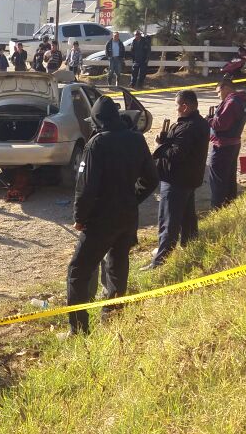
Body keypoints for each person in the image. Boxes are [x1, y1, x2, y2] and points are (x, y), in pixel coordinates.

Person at [66, 96, 158, 335]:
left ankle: (78, 330)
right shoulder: (137, 139)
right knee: (117, 266)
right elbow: (151, 179)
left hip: (101, 219)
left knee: (78, 272)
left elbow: (85, 187)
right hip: (127, 216)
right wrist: (132, 198)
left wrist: (79, 217)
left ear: (97, 120)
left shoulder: (97, 144)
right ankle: (113, 317)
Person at [146, 90, 209, 269]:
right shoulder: (197, 123)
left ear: (185, 106)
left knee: (168, 222)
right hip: (188, 179)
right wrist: (167, 139)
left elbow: (177, 154)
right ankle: (191, 249)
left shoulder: (189, 127)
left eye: (176, 105)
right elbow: (180, 146)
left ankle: (160, 262)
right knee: (188, 219)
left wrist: (159, 146)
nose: (175, 109)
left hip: (176, 179)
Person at [207, 77, 246, 209]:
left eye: (218, 92)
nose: (218, 95)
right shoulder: (242, 101)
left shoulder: (231, 102)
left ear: (225, 88)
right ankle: (230, 206)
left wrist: (208, 120)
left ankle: (218, 208)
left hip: (222, 145)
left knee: (218, 180)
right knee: (229, 177)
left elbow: (221, 124)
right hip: (233, 143)